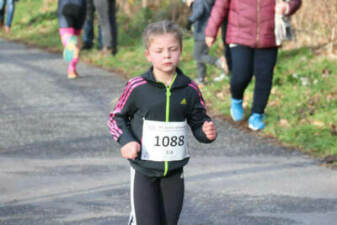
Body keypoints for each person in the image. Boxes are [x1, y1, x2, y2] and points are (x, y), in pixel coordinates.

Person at [107, 20, 217, 225]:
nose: (166, 55)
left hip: (174, 172)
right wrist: (126, 141)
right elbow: (116, 117)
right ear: (148, 55)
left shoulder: (190, 89)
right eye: (159, 50)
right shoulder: (137, 87)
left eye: (172, 49)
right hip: (143, 170)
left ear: (180, 52)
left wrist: (206, 131)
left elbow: (199, 121)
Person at [205, 0, 302, 130]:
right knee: (241, 76)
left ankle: (257, 114)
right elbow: (220, 5)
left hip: (268, 36)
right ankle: (237, 98)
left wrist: (288, 7)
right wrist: (211, 31)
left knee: (264, 77)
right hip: (239, 35)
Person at [185, 0, 228, 85]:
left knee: (198, 55)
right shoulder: (204, 1)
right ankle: (201, 78)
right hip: (203, 32)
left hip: (202, 33)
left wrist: (190, 21)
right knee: (200, 56)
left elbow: (199, 12)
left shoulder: (200, 1)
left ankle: (219, 62)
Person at [58, 0, 86, 79]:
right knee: (76, 36)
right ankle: (71, 68)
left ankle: (69, 43)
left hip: (65, 5)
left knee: (66, 34)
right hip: (81, 6)